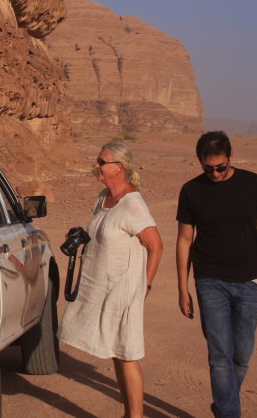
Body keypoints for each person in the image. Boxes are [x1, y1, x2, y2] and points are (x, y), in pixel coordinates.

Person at [176, 131, 257, 418]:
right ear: (199, 161)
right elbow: (184, 240)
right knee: (220, 356)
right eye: (207, 168)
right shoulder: (191, 190)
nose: (214, 173)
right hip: (210, 280)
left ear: (231, 156)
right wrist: (183, 288)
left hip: (248, 280)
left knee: (242, 355)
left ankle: (224, 402)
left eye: (220, 167)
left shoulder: (253, 183)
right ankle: (229, 411)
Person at [59, 141, 163, 418]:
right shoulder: (103, 198)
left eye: (102, 162)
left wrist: (145, 285)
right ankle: (129, 413)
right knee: (118, 351)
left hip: (123, 289)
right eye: (98, 161)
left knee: (127, 353)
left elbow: (156, 246)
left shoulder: (132, 203)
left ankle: (136, 416)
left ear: (119, 167)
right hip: (102, 285)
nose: (96, 166)